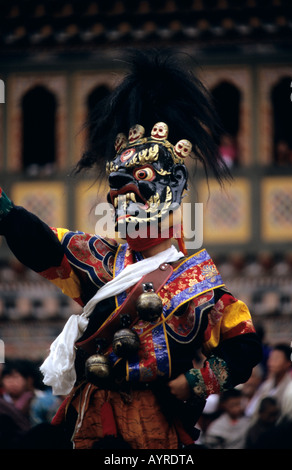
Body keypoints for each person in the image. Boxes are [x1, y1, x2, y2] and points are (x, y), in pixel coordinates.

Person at [0, 50, 262, 449]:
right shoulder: (100, 258)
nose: (124, 190)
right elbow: (42, 244)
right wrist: (5, 212)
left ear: (172, 184)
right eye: (117, 181)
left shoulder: (200, 288)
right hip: (86, 416)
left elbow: (244, 344)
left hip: (150, 428)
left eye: (140, 177)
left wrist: (195, 381)